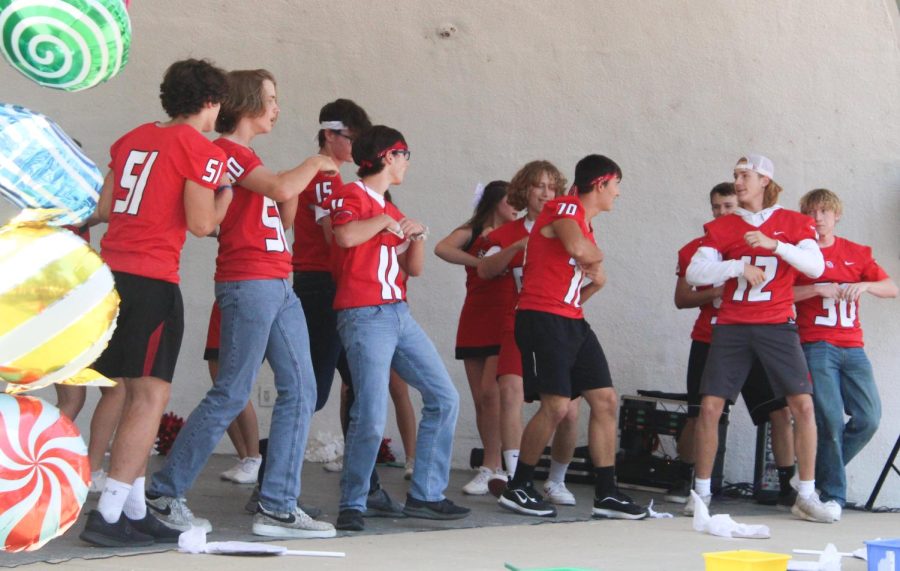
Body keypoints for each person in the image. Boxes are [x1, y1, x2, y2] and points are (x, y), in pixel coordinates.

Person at [145, 69, 336, 539]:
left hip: (278, 281)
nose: (276, 107)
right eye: (270, 97)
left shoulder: (250, 156)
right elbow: (276, 190)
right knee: (231, 391)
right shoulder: (225, 151)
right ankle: (164, 492)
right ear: (247, 101)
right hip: (249, 282)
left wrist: (293, 185)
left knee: (302, 388)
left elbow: (280, 205)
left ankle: (277, 504)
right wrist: (313, 163)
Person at [80, 58, 234, 547]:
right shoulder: (199, 147)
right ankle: (106, 515)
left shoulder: (130, 139)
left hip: (110, 275)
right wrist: (224, 192)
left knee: (128, 391)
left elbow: (104, 209)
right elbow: (202, 223)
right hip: (151, 280)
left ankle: (133, 505)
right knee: (150, 396)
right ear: (210, 102)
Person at [328, 125, 469, 531]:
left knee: (444, 396)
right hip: (364, 314)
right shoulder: (351, 195)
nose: (408, 163)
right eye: (405, 155)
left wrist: (417, 235)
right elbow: (345, 235)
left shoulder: (388, 207)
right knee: (371, 413)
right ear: (389, 156)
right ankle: (353, 502)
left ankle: (426, 494)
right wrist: (387, 222)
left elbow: (415, 268)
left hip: (397, 313)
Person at [685, 155, 833, 523]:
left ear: (765, 179)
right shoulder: (723, 227)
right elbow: (694, 270)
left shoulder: (793, 223)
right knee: (710, 408)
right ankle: (700, 495)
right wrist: (737, 266)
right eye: (735, 174)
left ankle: (806, 493)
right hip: (732, 325)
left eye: (745, 175)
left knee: (802, 405)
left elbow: (816, 267)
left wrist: (775, 246)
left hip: (776, 324)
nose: (737, 181)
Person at [499, 154, 646, 519]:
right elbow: (580, 250)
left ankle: (607, 494)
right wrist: (596, 258)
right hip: (542, 318)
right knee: (557, 405)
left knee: (606, 400)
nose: (618, 195)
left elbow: (576, 286)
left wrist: (595, 282)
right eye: (616, 187)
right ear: (600, 184)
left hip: (571, 319)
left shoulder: (585, 224)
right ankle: (518, 487)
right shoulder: (564, 207)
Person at [290, 102, 407, 518]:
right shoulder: (326, 177)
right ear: (329, 135)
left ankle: (366, 484)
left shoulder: (336, 180)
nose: (358, 148)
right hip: (322, 287)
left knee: (358, 388)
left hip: (339, 289)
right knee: (313, 389)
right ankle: (275, 484)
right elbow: (334, 236)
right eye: (352, 139)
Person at [670, 183, 796, 505]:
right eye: (716, 207)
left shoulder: (760, 240)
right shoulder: (695, 249)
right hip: (710, 337)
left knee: (779, 411)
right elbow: (682, 298)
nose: (723, 212)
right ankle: (687, 478)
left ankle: (785, 485)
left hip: (754, 336)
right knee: (700, 413)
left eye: (728, 206)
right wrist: (715, 292)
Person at [478, 161, 580, 505]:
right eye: (538, 186)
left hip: (562, 322)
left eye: (552, 187)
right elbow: (484, 269)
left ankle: (556, 480)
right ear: (524, 190)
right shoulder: (507, 232)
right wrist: (517, 247)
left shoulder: (568, 226)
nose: (546, 193)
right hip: (520, 322)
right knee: (510, 389)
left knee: (569, 409)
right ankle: (511, 474)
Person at [794, 188, 897, 521]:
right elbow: (780, 293)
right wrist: (815, 288)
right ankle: (832, 495)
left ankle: (816, 476)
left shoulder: (856, 252)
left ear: (837, 215)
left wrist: (865, 285)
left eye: (825, 211)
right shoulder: (799, 254)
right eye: (811, 212)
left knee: (868, 419)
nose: (818, 218)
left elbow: (891, 288)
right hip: (816, 343)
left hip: (853, 346)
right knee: (830, 419)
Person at [434, 181, 517, 494]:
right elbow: (442, 247)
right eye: (512, 200)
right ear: (495, 200)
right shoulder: (473, 229)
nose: (517, 206)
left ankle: (496, 466)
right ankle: (490, 467)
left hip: (505, 316)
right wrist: (478, 262)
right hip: (475, 316)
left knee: (491, 392)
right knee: (482, 399)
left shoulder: (517, 232)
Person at [55, 224, 125, 494]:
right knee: (115, 388)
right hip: (69, 305)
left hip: (52, 307)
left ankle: (26, 460)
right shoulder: (68, 208)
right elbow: (105, 210)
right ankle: (92, 471)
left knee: (72, 399)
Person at [202, 302, 262, 485]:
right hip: (225, 300)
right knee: (222, 387)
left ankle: (253, 457)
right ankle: (245, 458)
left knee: (235, 387)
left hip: (240, 300)